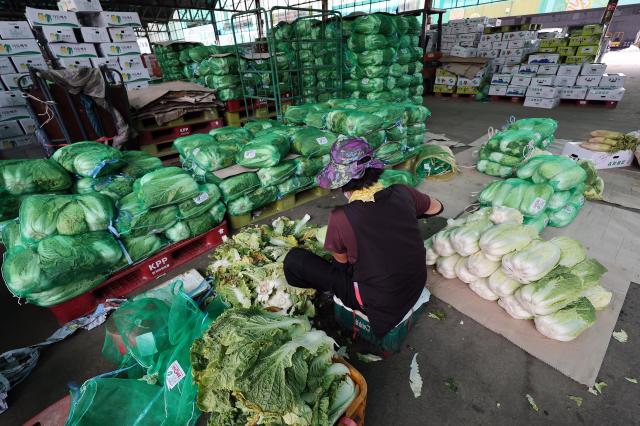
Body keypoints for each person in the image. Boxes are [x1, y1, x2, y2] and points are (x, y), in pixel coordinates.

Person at [283, 137, 443, 338]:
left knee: (295, 260)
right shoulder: (403, 192)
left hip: (382, 305)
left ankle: (331, 297)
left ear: (341, 181)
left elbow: (341, 264)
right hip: (415, 283)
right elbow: (437, 207)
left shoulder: (341, 217)